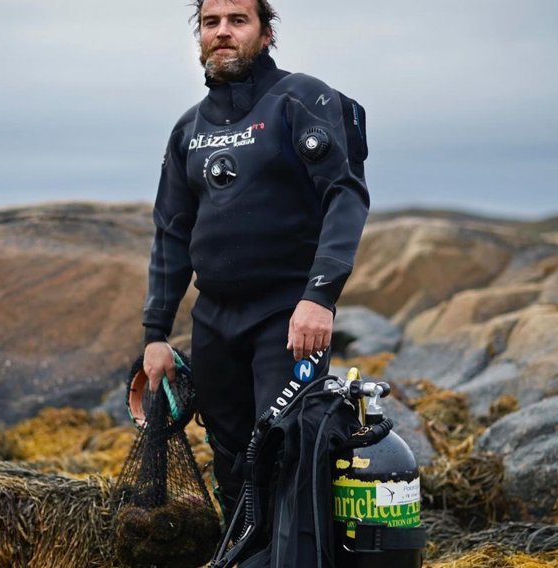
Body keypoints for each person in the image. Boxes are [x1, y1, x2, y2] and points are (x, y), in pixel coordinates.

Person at [141, 0, 370, 518]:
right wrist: (155, 334)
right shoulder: (188, 130)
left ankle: (295, 552)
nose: (222, 32)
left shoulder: (300, 99)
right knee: (230, 461)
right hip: (214, 321)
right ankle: (245, 551)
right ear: (200, 36)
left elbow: (346, 195)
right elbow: (171, 235)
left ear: (266, 34)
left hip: (287, 316)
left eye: (238, 20)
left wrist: (319, 297)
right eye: (211, 22)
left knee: (284, 450)